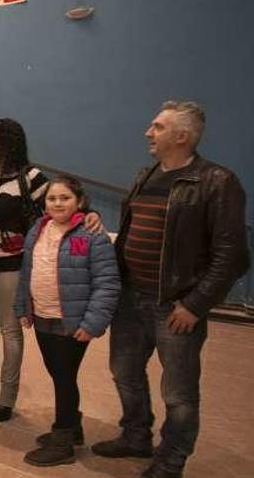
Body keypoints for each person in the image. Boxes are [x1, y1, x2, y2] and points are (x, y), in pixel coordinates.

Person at [92, 101, 249, 478]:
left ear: (182, 136)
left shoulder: (217, 182)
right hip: (130, 298)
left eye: (157, 127)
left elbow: (233, 255)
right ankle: (135, 436)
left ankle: (171, 459)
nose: (149, 132)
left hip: (174, 306)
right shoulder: (146, 175)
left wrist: (195, 305)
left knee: (178, 392)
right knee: (123, 372)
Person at [0, 118, 102, 422]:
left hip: (13, 265)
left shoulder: (31, 178)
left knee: (10, 330)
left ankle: (6, 397)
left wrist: (90, 216)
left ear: (8, 142)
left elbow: (62, 204)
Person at [14, 175, 120, 466]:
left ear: (80, 202)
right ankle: (73, 428)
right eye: (52, 198)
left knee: (63, 378)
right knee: (60, 374)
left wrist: (92, 324)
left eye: (65, 198)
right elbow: (27, 271)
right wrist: (23, 306)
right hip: (44, 315)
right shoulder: (39, 228)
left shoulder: (91, 234)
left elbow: (107, 283)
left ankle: (62, 442)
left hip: (72, 321)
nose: (58, 203)